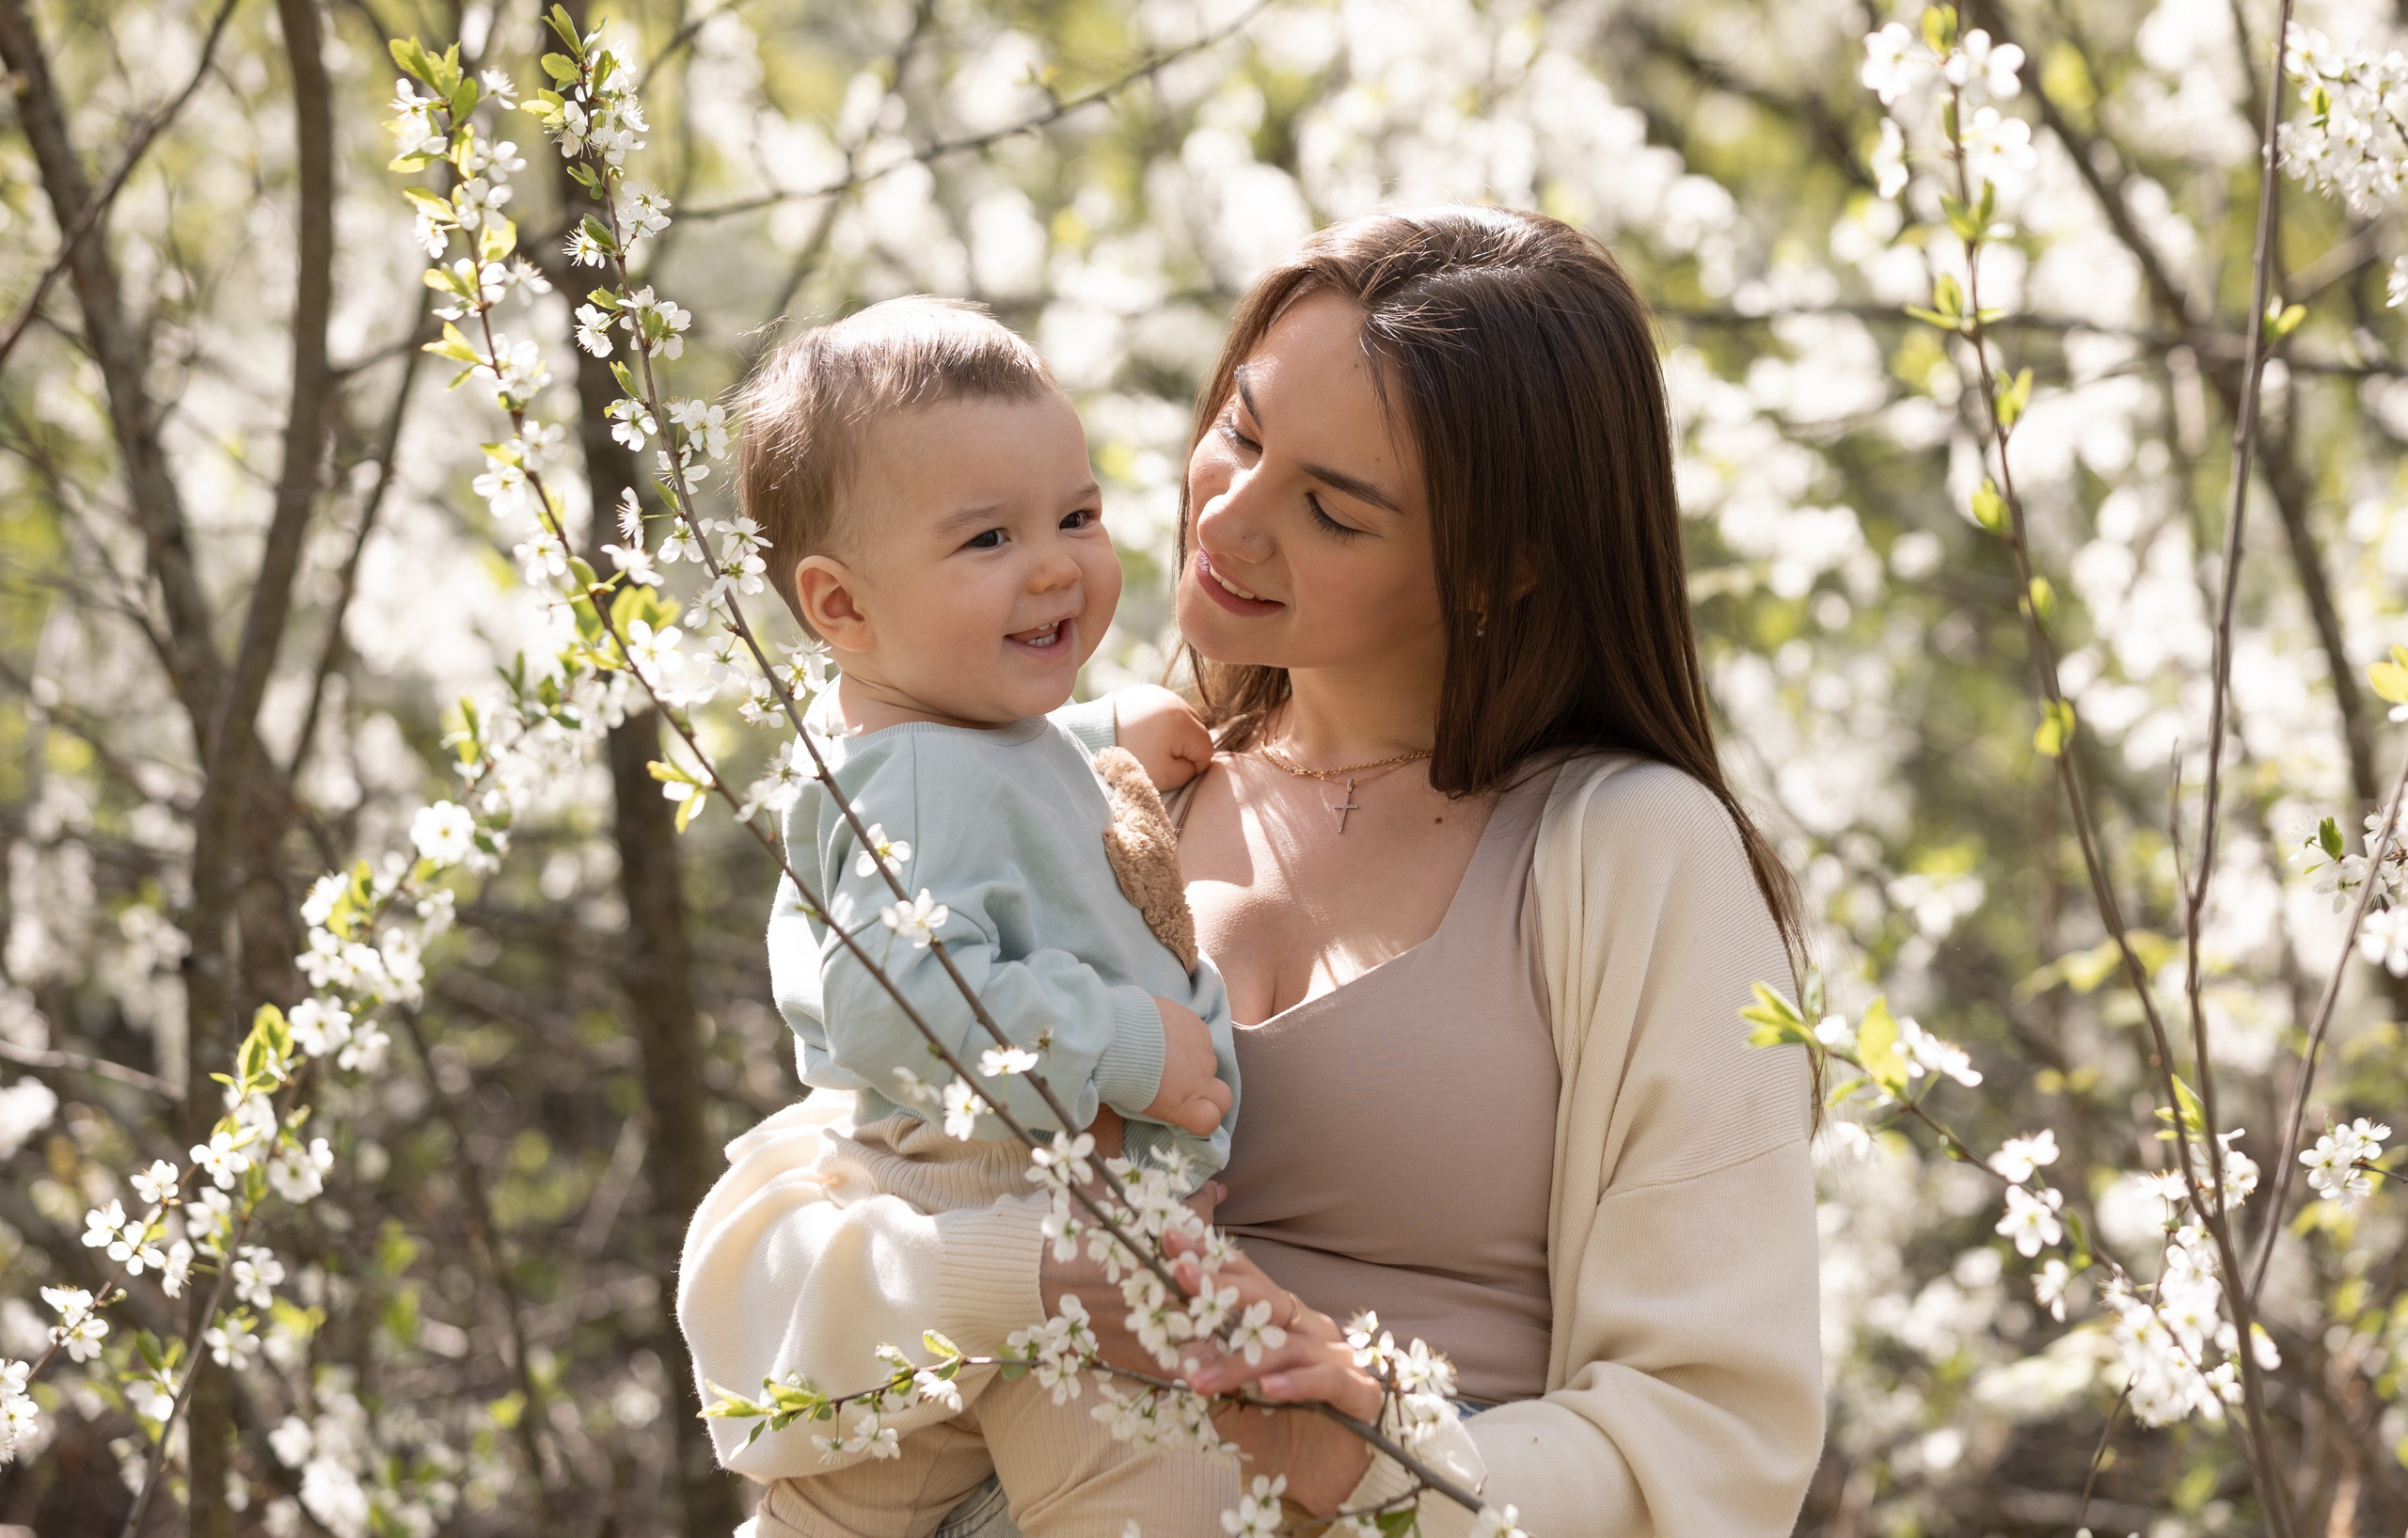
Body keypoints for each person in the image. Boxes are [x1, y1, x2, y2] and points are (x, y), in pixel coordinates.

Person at [681, 209, 1825, 1538]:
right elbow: (773, 1275)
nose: (1228, 516)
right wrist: (1022, 1278)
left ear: (1500, 567)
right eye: (1239, 431)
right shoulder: (1095, 782)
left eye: (1331, 510)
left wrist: (1372, 1460)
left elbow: (1716, 1434)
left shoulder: (1632, 855)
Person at [725, 294, 1244, 1536]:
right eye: (990, 539)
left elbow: (996, 782)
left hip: (1013, 1206)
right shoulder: (916, 780)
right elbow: (893, 1002)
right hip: (996, 1201)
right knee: (1171, 1497)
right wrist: (1126, 1041)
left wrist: (1099, 732)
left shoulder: (949, 734)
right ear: (842, 610)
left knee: (860, 1510)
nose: (1056, 564)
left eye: (1077, 516)